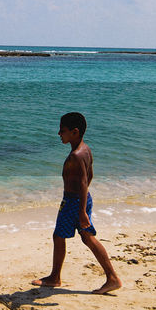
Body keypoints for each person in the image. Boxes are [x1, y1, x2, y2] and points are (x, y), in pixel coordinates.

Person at [32, 112, 122, 294]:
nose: (59, 134)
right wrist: (84, 202)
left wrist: (81, 210)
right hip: (81, 200)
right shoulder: (86, 150)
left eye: (62, 130)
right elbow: (90, 176)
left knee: (72, 236)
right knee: (76, 236)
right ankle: (58, 276)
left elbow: (82, 182)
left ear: (75, 132)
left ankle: (58, 277)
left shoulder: (76, 155)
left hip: (75, 202)